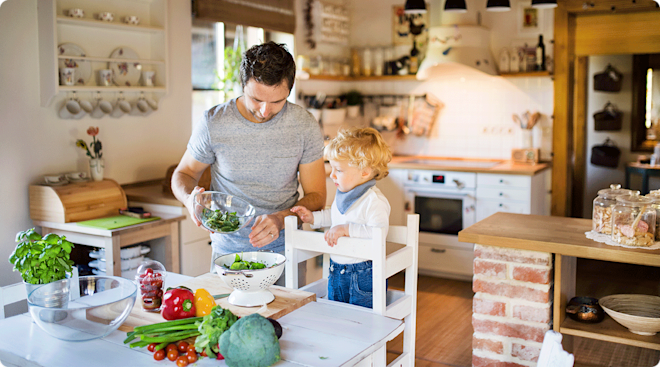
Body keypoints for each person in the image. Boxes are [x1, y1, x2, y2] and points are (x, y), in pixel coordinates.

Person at [171, 41, 326, 270]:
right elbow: (184, 173)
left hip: (287, 253)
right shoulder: (214, 122)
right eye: (256, 99)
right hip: (227, 255)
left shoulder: (304, 125)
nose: (265, 111)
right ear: (243, 85)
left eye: (277, 102)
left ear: (289, 91)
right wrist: (189, 199)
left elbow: (317, 196)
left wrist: (281, 218)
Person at [291, 127, 392, 308]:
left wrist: (346, 230)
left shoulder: (373, 200)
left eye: (339, 170)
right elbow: (335, 216)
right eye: (331, 167)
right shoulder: (344, 195)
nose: (332, 174)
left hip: (364, 274)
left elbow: (378, 232)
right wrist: (312, 218)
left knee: (362, 322)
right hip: (337, 270)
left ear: (365, 172)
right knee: (336, 315)